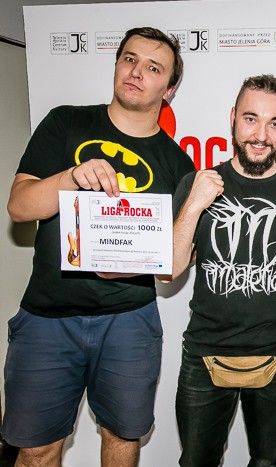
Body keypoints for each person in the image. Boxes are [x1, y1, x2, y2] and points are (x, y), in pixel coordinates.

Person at [3, 27, 194, 467]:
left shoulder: (178, 164)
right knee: (35, 449)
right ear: (116, 65)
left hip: (129, 320)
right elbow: (19, 206)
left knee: (122, 437)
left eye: (153, 68)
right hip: (47, 316)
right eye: (129, 59)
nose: (137, 72)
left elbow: (176, 261)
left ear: (169, 89)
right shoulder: (66, 123)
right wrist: (71, 177)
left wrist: (137, 265)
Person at [172, 74, 276, 467]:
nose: (261, 135)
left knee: (268, 462)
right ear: (233, 118)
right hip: (205, 352)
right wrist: (194, 204)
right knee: (196, 461)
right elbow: (168, 272)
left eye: (275, 123)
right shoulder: (198, 184)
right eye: (251, 119)